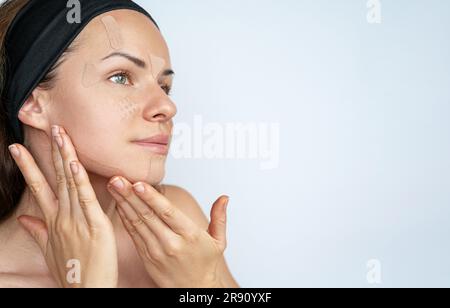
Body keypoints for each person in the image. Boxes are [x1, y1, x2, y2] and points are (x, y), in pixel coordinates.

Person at [0, 0, 239, 288]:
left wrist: (202, 283)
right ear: (33, 103)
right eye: (121, 77)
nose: (166, 106)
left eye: (164, 87)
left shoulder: (175, 226)